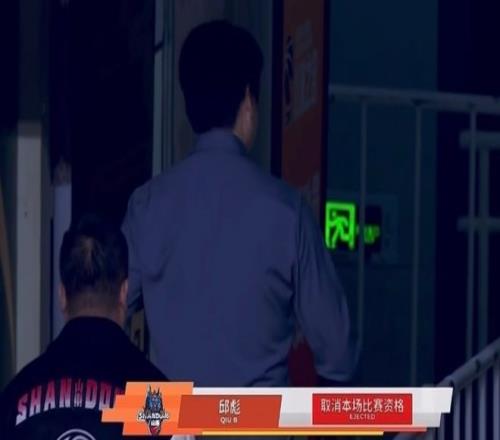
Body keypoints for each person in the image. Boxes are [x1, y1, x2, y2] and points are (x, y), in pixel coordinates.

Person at [123, 20, 358, 387]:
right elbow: (338, 353)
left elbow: (106, 310)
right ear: (249, 100)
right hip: (261, 418)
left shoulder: (147, 206)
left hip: (169, 416)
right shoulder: (287, 212)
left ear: (189, 104)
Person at [0, 214, 167, 439]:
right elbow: (207, 416)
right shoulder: (165, 406)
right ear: (124, 293)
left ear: (62, 296)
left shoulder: (13, 400)